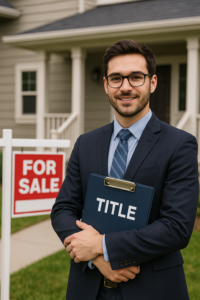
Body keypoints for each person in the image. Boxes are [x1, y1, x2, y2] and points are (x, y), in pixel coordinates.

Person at [51, 40, 199, 300]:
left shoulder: (179, 144)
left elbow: (176, 227)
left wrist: (101, 246)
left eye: (136, 77)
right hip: (88, 287)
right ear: (107, 85)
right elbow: (63, 209)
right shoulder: (86, 143)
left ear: (152, 83)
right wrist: (97, 258)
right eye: (116, 78)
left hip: (152, 288)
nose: (126, 87)